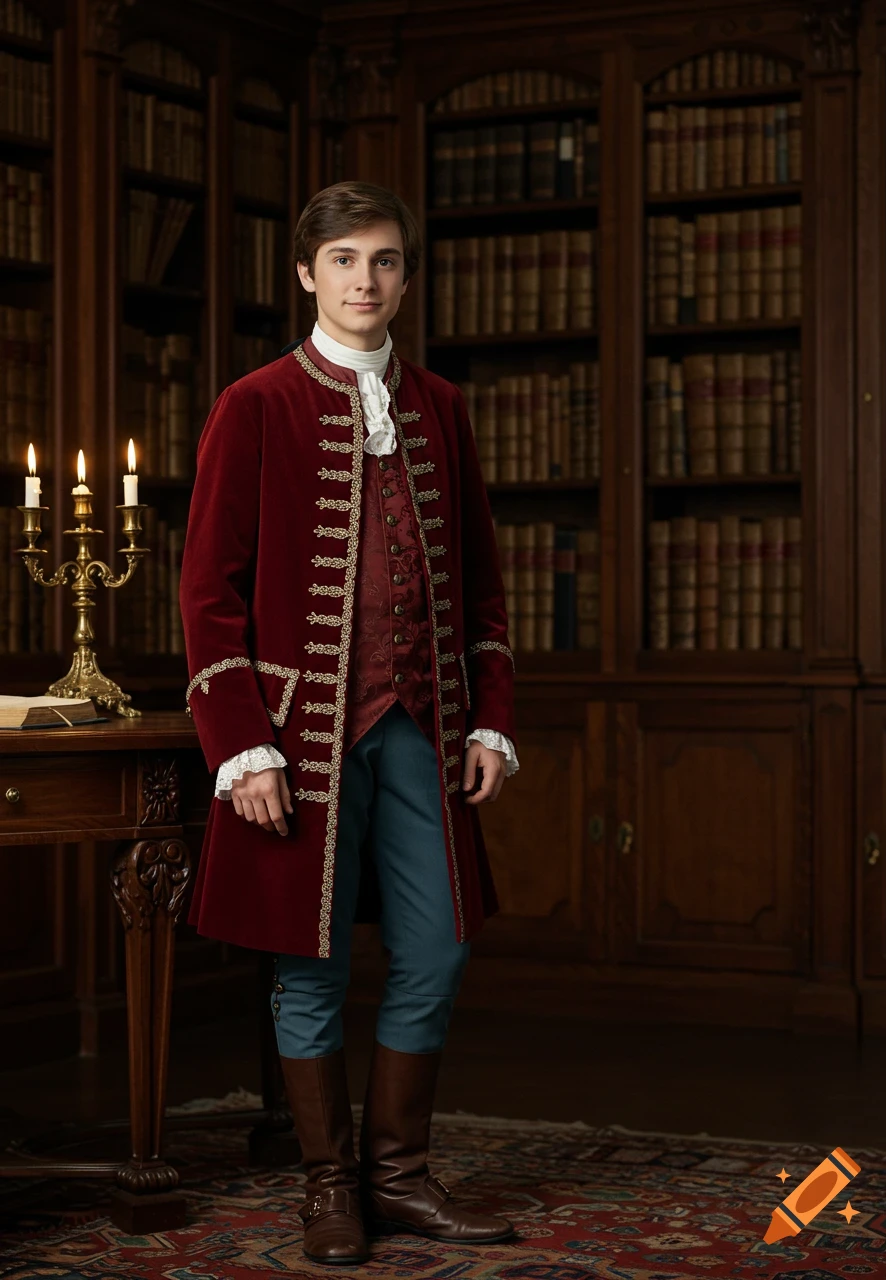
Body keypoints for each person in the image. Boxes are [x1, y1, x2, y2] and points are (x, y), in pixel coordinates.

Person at [178, 180, 519, 1265]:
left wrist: (489, 718)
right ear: (306, 273)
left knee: (438, 946)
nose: (364, 280)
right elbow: (206, 592)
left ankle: (400, 1176)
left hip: (422, 722)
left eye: (381, 261)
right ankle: (328, 1185)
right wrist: (242, 743)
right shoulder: (256, 402)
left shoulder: (442, 406)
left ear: (405, 276)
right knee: (307, 958)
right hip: (297, 737)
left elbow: (483, 590)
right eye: (343, 261)